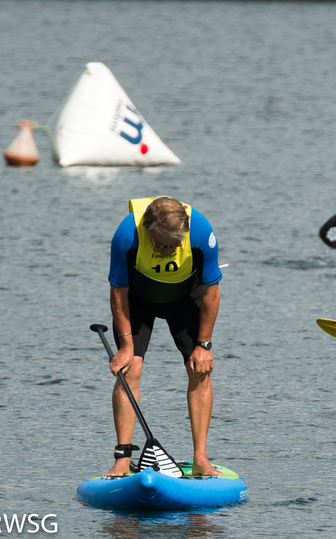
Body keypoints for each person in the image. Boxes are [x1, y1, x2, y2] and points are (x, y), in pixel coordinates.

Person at [103, 196, 223, 478]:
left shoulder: (201, 231)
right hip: (138, 299)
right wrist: (126, 346)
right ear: (148, 230)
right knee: (130, 367)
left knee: (200, 369)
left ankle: (200, 459)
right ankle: (122, 460)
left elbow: (212, 292)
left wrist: (204, 345)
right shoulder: (126, 235)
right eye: (161, 245)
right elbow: (117, 293)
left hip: (185, 297)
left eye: (174, 245)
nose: (168, 250)